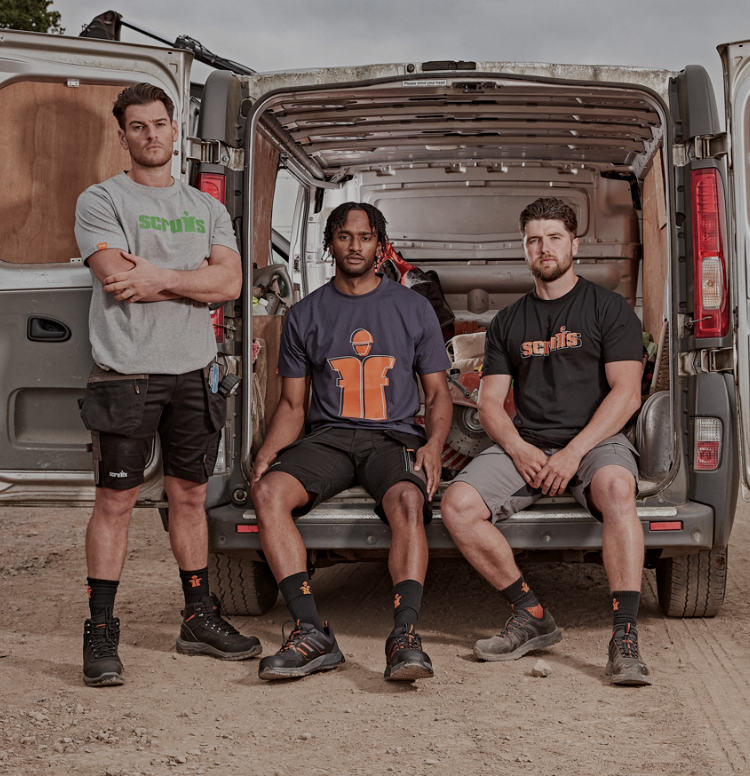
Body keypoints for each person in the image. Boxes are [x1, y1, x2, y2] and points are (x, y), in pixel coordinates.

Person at [74, 83, 260, 687]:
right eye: (138, 126)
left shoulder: (206, 208)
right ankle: (101, 629)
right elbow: (116, 279)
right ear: (122, 134)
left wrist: (157, 276)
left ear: (176, 130)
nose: (151, 135)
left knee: (189, 497)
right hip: (126, 372)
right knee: (116, 501)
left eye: (159, 124)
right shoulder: (101, 200)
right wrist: (192, 278)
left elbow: (230, 284)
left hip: (194, 373)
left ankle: (197, 618)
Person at [440, 197, 652, 686]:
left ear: (574, 244)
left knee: (618, 489)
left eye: (555, 237)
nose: (544, 248)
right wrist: (519, 449)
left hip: (595, 441)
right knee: (457, 505)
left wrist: (574, 452)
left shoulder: (609, 309)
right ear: (524, 248)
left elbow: (627, 393)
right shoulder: (508, 321)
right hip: (531, 444)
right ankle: (530, 614)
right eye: (534, 240)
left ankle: (624, 637)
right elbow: (490, 404)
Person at [250, 202, 452, 681]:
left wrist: (433, 445)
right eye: (344, 237)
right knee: (268, 493)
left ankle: (404, 635)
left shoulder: (413, 308)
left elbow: (438, 394)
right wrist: (267, 452)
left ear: (380, 245)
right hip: (331, 438)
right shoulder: (305, 314)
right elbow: (293, 405)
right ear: (330, 244)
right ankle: (310, 631)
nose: (355, 246)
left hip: (392, 435)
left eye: (365, 237)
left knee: (408, 501)